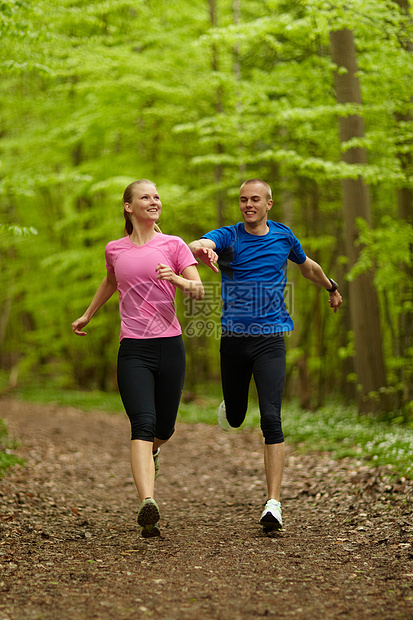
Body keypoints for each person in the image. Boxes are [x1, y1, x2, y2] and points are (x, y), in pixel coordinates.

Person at [189, 179, 342, 533]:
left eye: (255, 199)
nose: (248, 205)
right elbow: (199, 243)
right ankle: (231, 405)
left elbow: (309, 267)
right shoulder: (228, 236)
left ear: (269, 204)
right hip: (234, 340)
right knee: (237, 416)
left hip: (271, 339)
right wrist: (203, 250)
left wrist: (331, 287)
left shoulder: (284, 236)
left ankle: (273, 503)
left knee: (271, 418)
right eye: (243, 200)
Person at [72, 179, 204, 538]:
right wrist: (88, 314)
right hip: (133, 349)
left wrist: (174, 277)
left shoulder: (173, 245)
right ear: (129, 207)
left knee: (164, 430)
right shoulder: (115, 249)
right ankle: (148, 502)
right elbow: (110, 281)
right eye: (145, 197)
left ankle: (152, 456)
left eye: (157, 196)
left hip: (170, 345)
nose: (154, 201)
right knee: (142, 424)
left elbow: (198, 287)